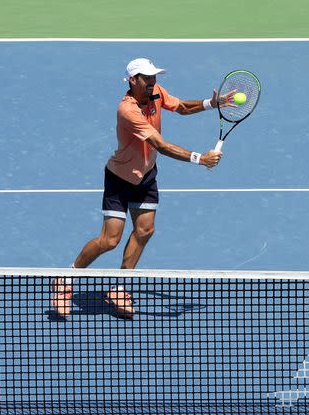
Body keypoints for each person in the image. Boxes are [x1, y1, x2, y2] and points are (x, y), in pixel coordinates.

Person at [51, 58, 231, 318]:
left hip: (146, 176)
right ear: (133, 80)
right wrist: (199, 159)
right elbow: (159, 144)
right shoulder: (128, 110)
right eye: (147, 78)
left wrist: (211, 104)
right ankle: (66, 278)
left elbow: (180, 106)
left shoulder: (156, 93)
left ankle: (119, 287)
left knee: (145, 230)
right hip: (120, 178)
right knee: (110, 240)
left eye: (154, 76)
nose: (153, 82)